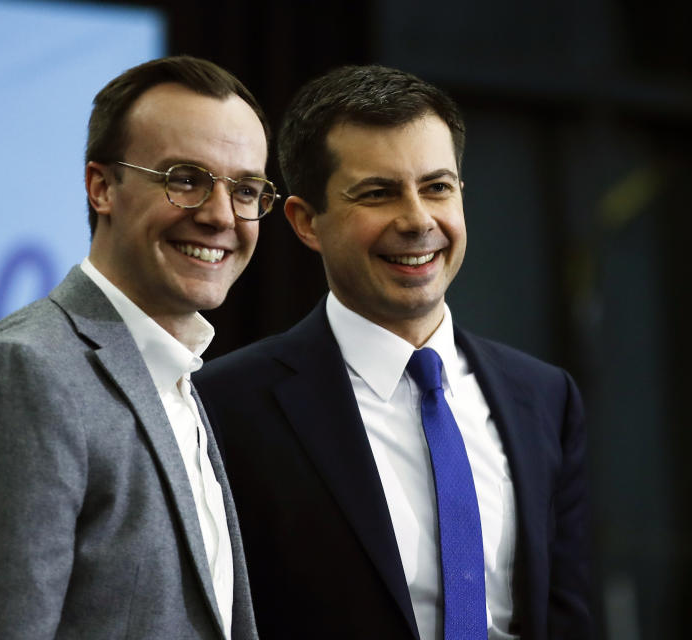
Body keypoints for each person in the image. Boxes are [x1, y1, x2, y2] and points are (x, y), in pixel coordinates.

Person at [194, 65, 590, 640]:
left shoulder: (545, 397)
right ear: (306, 222)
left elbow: (568, 617)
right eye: (378, 193)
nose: (417, 219)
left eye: (437, 187)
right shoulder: (225, 406)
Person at [0, 56, 278, 639]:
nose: (221, 215)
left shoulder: (178, 379)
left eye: (246, 189)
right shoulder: (23, 376)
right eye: (185, 180)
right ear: (102, 187)